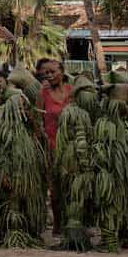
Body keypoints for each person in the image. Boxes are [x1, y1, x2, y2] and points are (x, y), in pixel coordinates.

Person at [38, 57, 71, 235]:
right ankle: (58, 224)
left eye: (53, 72)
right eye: (46, 73)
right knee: (55, 188)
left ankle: (71, 221)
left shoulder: (71, 91)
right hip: (51, 145)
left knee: (71, 186)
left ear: (62, 72)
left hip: (71, 146)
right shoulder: (42, 93)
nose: (49, 75)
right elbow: (36, 118)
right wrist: (41, 138)